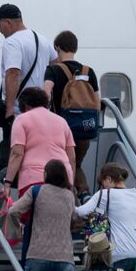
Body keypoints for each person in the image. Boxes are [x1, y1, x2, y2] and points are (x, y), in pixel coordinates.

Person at [0, 2, 49, 167]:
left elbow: (13, 73)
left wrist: (9, 109)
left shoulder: (12, 42)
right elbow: (56, 64)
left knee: (16, 155)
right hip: (41, 110)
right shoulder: (41, 39)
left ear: (8, 22)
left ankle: (20, 189)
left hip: (20, 111)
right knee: (36, 154)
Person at [43, 30, 100, 194]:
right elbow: (96, 102)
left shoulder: (53, 70)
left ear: (57, 47)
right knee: (76, 164)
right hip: (84, 127)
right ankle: (83, 194)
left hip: (61, 127)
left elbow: (46, 92)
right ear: (75, 48)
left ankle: (66, 200)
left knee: (60, 166)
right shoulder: (89, 71)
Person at [5, 87, 73, 193]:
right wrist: (71, 183)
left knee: (31, 209)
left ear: (26, 106)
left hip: (34, 179)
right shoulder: (62, 121)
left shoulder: (21, 119)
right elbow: (71, 157)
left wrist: (8, 183)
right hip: (63, 180)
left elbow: (17, 154)